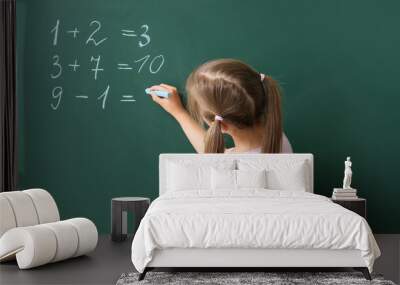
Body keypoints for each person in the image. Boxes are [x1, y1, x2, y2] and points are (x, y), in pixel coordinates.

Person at [147, 58, 292, 153]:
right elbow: (217, 156)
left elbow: (216, 158)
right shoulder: (277, 139)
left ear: (221, 126)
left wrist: (179, 113)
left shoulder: (233, 170)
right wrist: (180, 113)